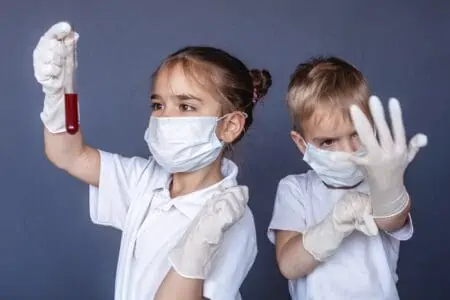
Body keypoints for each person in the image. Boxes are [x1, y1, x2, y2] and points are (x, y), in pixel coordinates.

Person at [33, 21, 272, 300]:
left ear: (230, 126)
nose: (165, 118)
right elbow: (68, 154)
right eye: (158, 105)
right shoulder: (143, 181)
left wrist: (195, 249)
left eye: (186, 106)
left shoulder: (233, 220)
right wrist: (60, 95)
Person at [267, 56, 427, 299]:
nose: (349, 151)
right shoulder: (295, 189)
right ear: (302, 144)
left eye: (357, 134)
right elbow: (289, 265)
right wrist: (334, 225)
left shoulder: (380, 183)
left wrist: (391, 185)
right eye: (329, 141)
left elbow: (392, 220)